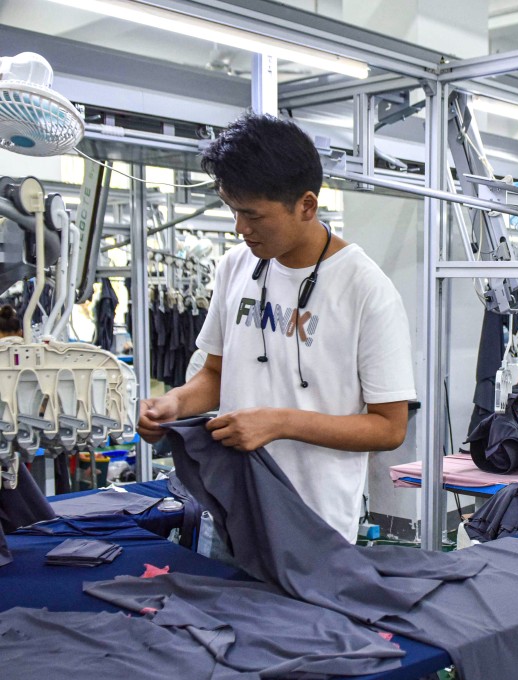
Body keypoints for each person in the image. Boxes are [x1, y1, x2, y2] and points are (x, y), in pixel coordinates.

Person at [137, 113, 416, 543]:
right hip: (228, 507)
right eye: (233, 211)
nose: (240, 228)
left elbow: (389, 427)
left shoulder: (366, 290)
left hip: (312, 523)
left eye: (253, 215)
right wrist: (175, 404)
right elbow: (215, 373)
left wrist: (280, 422)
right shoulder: (235, 267)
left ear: (306, 205)